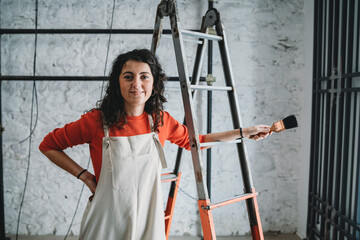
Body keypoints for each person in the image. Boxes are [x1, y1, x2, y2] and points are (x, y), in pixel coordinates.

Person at [39, 49, 270, 240]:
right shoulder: (96, 121)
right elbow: (48, 145)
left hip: (147, 221)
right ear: (117, 82)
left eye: (144, 76)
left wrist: (243, 132)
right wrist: (86, 177)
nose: (136, 84)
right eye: (128, 76)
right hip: (106, 220)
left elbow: (197, 142)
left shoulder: (160, 121)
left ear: (154, 82)